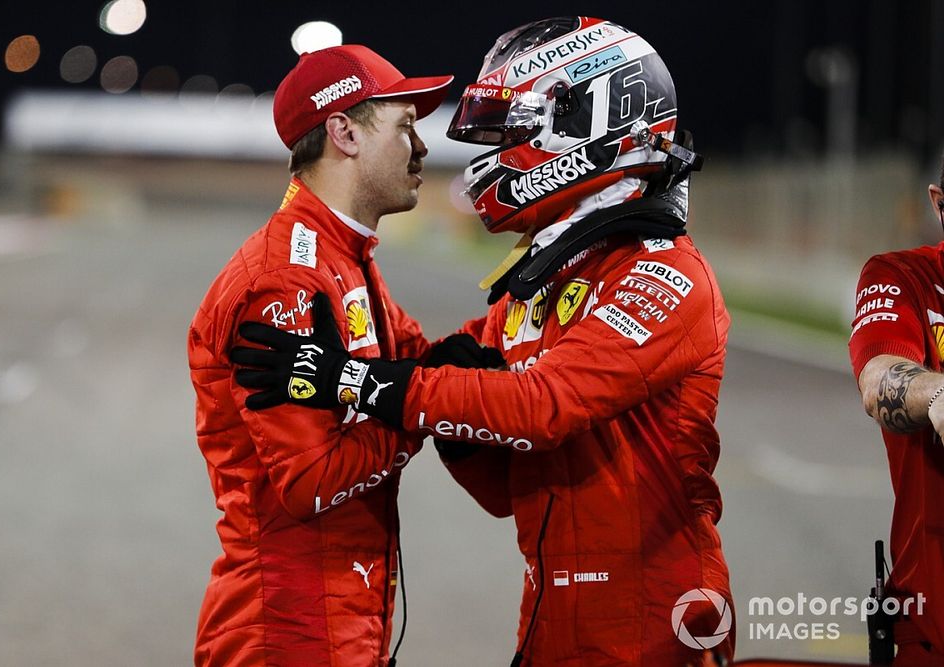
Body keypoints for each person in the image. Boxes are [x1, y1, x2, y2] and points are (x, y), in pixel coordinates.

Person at [232, 17, 735, 665]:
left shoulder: (662, 270)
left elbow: (540, 408)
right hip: (552, 612)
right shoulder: (546, 278)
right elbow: (502, 487)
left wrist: (355, 380)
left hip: (655, 620)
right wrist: (443, 410)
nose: (492, 153)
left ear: (587, 118)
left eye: (512, 132)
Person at [187, 42, 459, 666]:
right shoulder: (285, 278)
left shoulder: (345, 255)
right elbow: (309, 483)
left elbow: (423, 361)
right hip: (286, 629)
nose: (421, 149)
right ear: (344, 132)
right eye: (406, 126)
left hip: (338, 612)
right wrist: (418, 410)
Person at [849, 159, 944, 666]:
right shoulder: (903, 277)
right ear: (938, 202)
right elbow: (879, 377)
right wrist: (938, 397)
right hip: (933, 627)